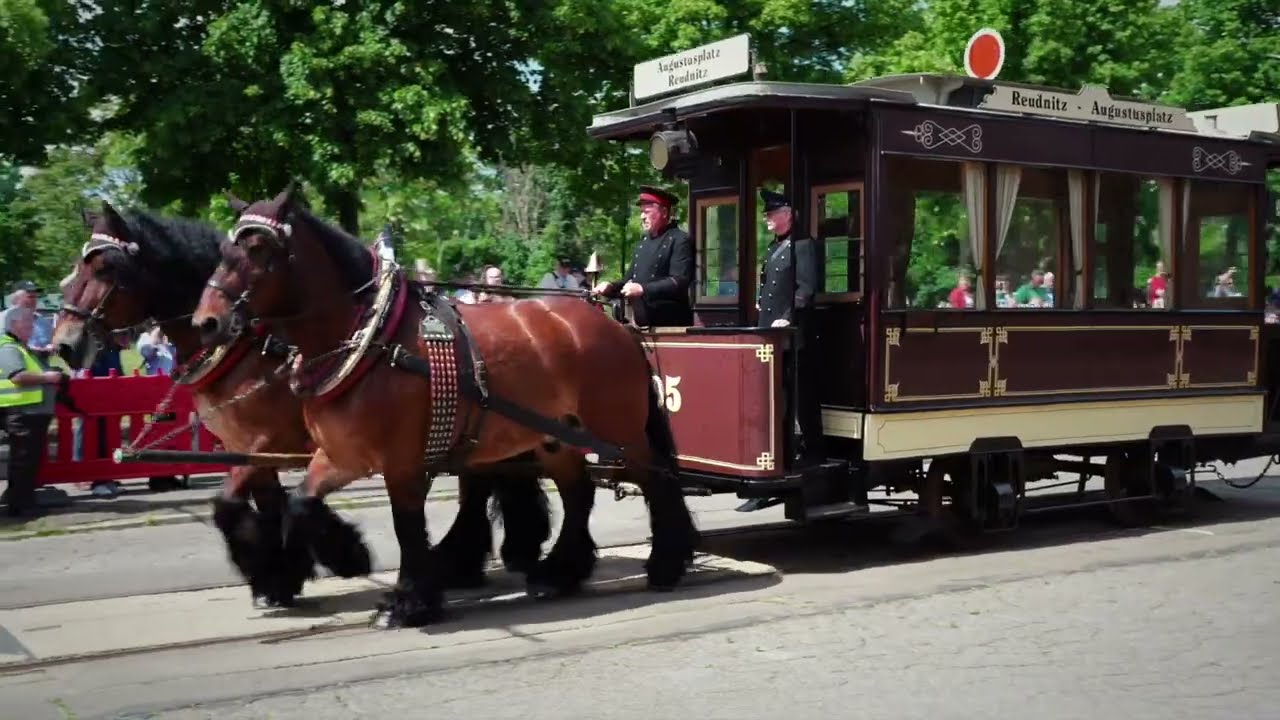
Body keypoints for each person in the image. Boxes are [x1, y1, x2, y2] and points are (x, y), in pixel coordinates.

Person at [756, 188, 824, 466]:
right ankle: (779, 455)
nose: (766, 219)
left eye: (771, 213)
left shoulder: (803, 246)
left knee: (801, 398)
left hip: (793, 336)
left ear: (788, 214)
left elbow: (804, 290)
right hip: (771, 335)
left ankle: (814, 452)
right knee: (776, 398)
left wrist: (787, 317)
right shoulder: (775, 247)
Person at [592, 185, 695, 327]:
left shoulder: (680, 239)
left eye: (646, 212)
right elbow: (628, 281)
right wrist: (610, 287)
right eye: (641, 212)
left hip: (671, 326)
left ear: (664, 212)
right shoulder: (643, 243)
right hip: (642, 322)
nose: (642, 216)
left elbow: (679, 281)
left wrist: (643, 289)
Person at [0, 306, 63, 516]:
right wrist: (48, 378)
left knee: (28, 461)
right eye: (27, 323)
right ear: (14, 325)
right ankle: (20, 506)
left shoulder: (20, 347)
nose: (31, 327)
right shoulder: (8, 348)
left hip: (31, 412)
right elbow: (17, 377)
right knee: (23, 461)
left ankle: (23, 501)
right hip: (22, 411)